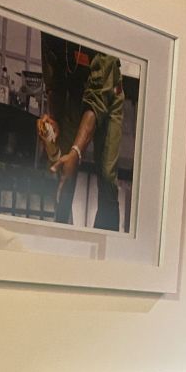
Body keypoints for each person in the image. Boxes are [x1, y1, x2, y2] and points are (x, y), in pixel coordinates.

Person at [36, 34, 124, 231]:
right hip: (74, 93)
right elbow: (54, 81)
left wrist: (76, 151)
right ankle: (58, 233)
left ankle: (106, 241)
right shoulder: (50, 30)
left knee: (107, 176)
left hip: (108, 94)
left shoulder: (103, 30)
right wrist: (54, 120)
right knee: (63, 170)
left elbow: (97, 99)